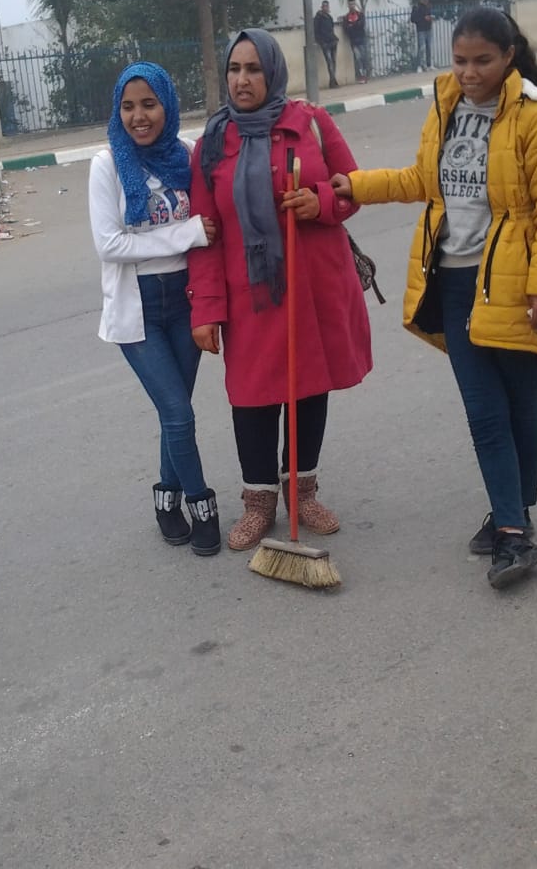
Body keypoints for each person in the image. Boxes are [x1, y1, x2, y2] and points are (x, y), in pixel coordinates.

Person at [332, 7, 537, 589]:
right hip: (453, 282)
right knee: (484, 413)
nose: (469, 73)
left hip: (516, 285)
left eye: (482, 61)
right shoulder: (446, 105)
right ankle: (512, 530)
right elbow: (423, 180)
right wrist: (356, 185)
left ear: (509, 56)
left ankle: (513, 513)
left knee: (521, 407)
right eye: (460, 60)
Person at [188, 29, 372, 551]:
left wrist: (320, 202)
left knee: (309, 389)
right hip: (251, 294)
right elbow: (204, 235)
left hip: (314, 289)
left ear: (272, 72)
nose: (242, 80)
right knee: (251, 396)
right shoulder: (211, 145)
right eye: (234, 69)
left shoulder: (310, 124)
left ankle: (302, 492)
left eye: (253, 69)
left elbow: (353, 187)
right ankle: (258, 502)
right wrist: (205, 309)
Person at [89, 62, 221, 555]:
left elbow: (212, 219)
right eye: (128, 107)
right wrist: (186, 234)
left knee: (175, 412)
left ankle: (166, 499)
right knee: (179, 414)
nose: (138, 116)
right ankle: (201, 504)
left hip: (185, 300)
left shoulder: (184, 155)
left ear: (167, 104)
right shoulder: (107, 165)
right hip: (138, 306)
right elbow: (110, 245)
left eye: (149, 104)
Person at [343, 0, 370, 83]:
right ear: (348, 6)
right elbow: (346, 28)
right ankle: (361, 76)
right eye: (350, 4)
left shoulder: (360, 15)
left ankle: (365, 74)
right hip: (353, 40)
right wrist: (355, 25)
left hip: (361, 39)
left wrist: (352, 25)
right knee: (358, 58)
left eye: (353, 4)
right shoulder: (346, 17)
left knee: (364, 57)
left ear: (355, 5)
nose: (352, 6)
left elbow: (361, 25)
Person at [314, 0, 340, 88]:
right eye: (324, 6)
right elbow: (316, 31)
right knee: (329, 62)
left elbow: (331, 28)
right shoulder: (318, 18)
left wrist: (335, 39)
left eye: (327, 6)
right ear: (322, 7)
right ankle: (333, 82)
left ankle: (333, 81)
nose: (326, 8)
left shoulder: (329, 17)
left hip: (332, 41)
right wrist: (321, 42)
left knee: (333, 62)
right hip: (325, 43)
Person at [410, 0, 435, 72]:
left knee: (429, 47)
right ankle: (420, 65)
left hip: (428, 28)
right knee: (421, 48)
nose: (426, 1)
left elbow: (429, 15)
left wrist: (430, 18)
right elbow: (413, 19)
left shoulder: (428, 7)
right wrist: (423, 19)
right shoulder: (416, 7)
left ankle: (429, 65)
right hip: (421, 30)